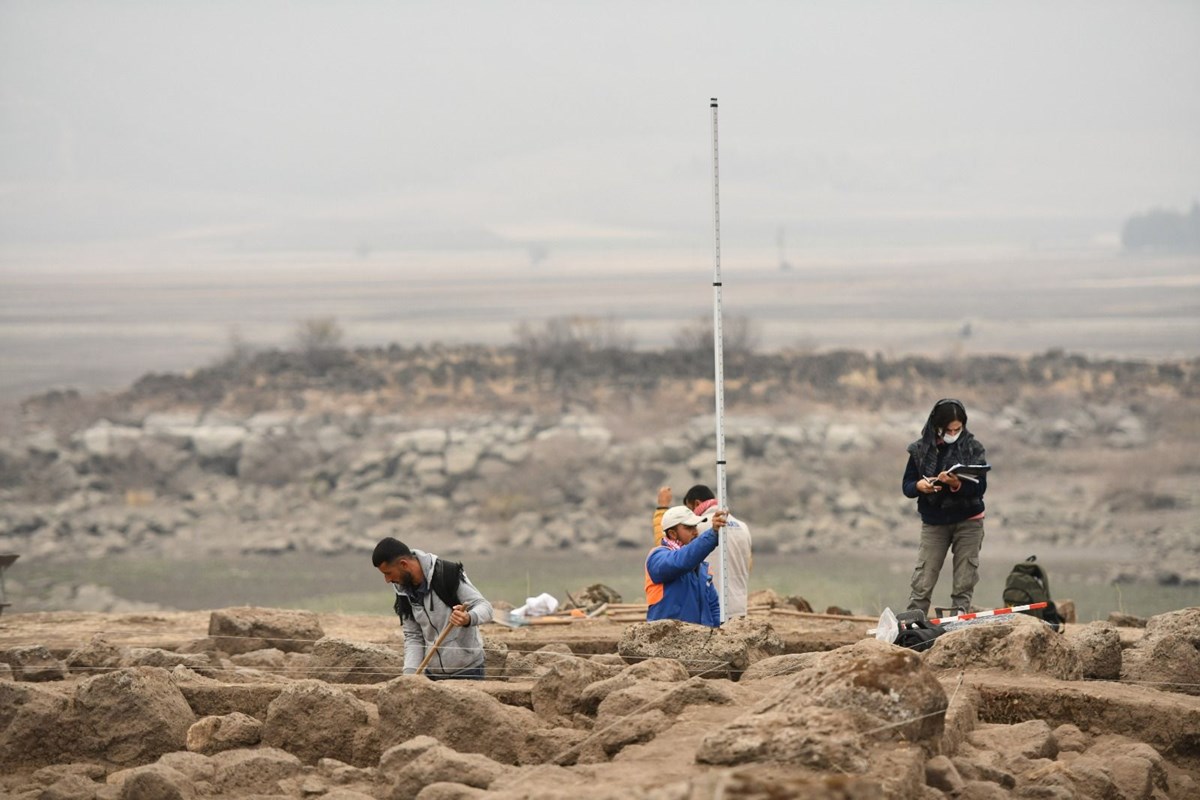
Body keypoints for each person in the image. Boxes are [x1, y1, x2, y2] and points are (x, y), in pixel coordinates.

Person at [902, 398, 989, 616]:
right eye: (948, 429)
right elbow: (907, 485)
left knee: (964, 577)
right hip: (934, 521)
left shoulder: (973, 448)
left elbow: (980, 488)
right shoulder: (919, 450)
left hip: (969, 521)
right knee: (924, 575)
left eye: (957, 429)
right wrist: (920, 486)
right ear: (937, 427)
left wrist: (956, 484)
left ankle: (958, 620)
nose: (952, 433)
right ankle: (914, 620)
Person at [371, 537, 494, 680]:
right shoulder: (402, 589)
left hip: (468, 672)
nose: (387, 580)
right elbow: (413, 636)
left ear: (404, 564)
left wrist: (468, 618)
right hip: (432, 675)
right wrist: (409, 677)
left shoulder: (447, 574)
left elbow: (486, 607)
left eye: (388, 573)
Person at [653, 485, 753, 619]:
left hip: (706, 609)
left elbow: (666, 545)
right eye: (690, 526)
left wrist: (662, 508)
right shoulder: (743, 527)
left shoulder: (703, 529)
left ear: (696, 503)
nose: (695, 531)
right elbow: (748, 564)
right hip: (738, 607)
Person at [645, 505, 727, 626]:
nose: (695, 531)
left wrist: (716, 634)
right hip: (666, 639)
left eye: (695, 526)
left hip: (699, 639)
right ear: (672, 533)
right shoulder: (657, 557)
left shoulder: (701, 567)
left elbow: (713, 607)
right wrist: (712, 534)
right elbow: (681, 561)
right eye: (689, 527)